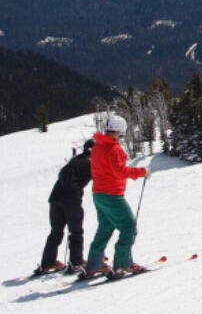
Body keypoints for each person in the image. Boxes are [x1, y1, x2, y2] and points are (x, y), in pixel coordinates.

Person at [81, 115, 148, 279]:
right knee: (129, 226)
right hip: (112, 195)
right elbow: (120, 171)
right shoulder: (114, 148)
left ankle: (94, 265)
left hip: (98, 194)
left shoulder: (97, 146)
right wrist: (141, 172)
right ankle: (123, 264)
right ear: (118, 131)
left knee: (105, 228)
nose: (121, 136)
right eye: (122, 133)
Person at [34, 138, 93, 276]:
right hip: (71, 198)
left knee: (56, 231)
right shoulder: (90, 163)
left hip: (55, 198)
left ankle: (48, 262)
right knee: (75, 231)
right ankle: (76, 261)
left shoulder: (75, 160)